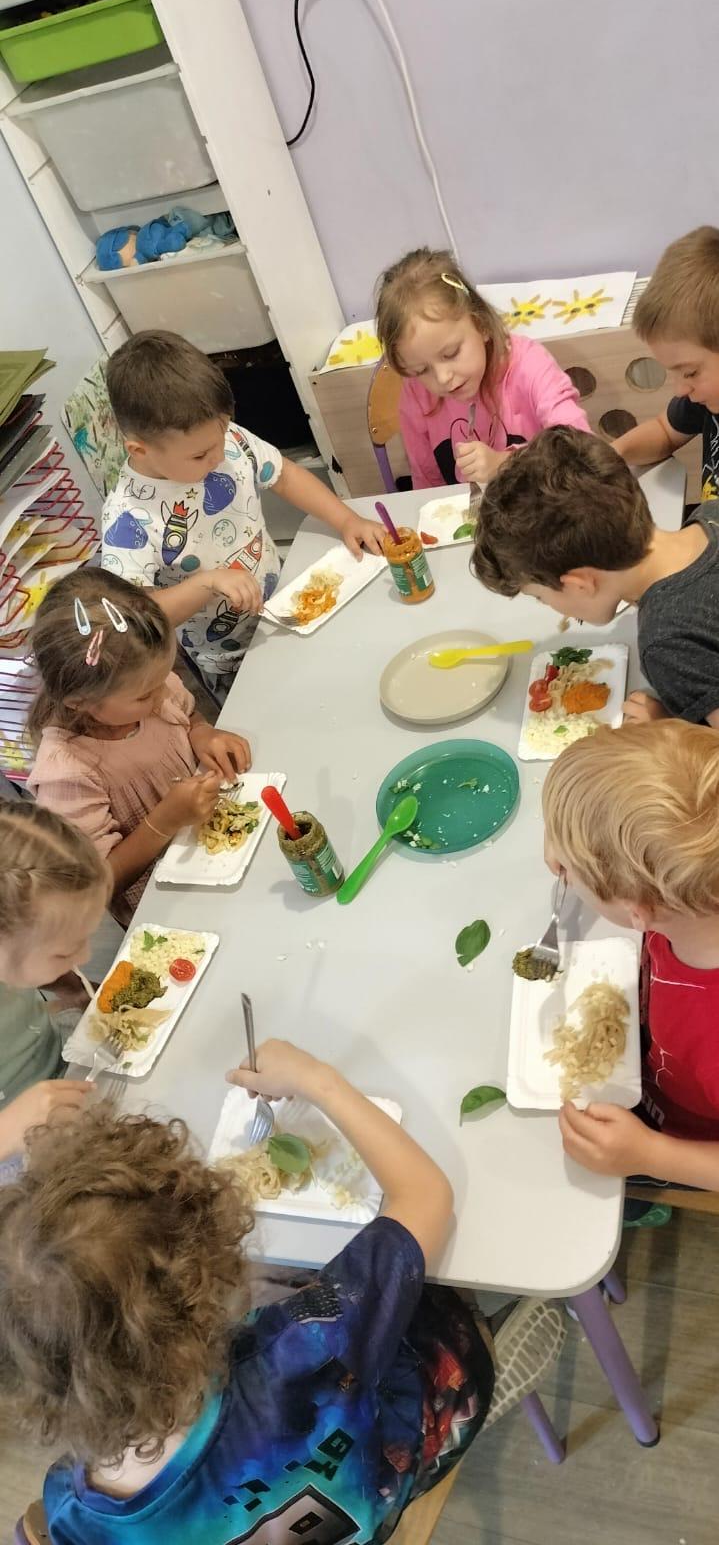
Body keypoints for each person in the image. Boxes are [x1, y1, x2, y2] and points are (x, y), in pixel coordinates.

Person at [0, 1040, 564, 1545]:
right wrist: (317, 1080)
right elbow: (426, 1195)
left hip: (345, 1513)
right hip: (413, 1441)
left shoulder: (71, 1514)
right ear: (209, 1283)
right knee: (442, 1293)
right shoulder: (302, 1346)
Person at [103, 330, 386, 697]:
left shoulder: (221, 439)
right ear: (140, 451)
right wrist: (206, 583)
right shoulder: (127, 517)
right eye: (200, 455)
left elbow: (284, 475)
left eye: (221, 438)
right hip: (230, 660)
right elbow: (136, 615)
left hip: (283, 605)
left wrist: (346, 520)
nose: (219, 456)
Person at [542, 721, 719, 1199]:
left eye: (570, 871)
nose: (558, 866)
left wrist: (651, 1155)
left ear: (637, 912)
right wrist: (570, 841)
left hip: (683, 1141)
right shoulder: (691, 897)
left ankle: (646, 1203)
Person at [27, 566, 249, 925]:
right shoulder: (67, 772)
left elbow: (185, 713)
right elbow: (95, 886)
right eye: (146, 695)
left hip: (222, 853)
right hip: (173, 909)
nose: (163, 695)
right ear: (79, 701)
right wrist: (165, 821)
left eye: (165, 678)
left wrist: (201, 732)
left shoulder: (146, 685)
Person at [471, 425, 719, 727]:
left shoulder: (666, 644)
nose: (548, 606)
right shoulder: (709, 512)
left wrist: (669, 726)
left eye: (541, 598)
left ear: (580, 584)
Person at [375, 247, 590, 490]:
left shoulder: (528, 365)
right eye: (421, 370)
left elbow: (581, 448)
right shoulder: (417, 392)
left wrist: (505, 464)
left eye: (451, 353)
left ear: (481, 324)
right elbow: (428, 485)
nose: (443, 378)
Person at [0, 801, 107, 1164]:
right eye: (65, 952)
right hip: (19, 1142)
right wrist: (7, 1129)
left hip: (62, 1057)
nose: (86, 957)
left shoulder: (15, 951)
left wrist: (69, 987)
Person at [612, 226, 719, 501]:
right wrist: (611, 455)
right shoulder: (706, 399)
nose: (680, 389)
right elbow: (665, 432)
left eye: (690, 372)